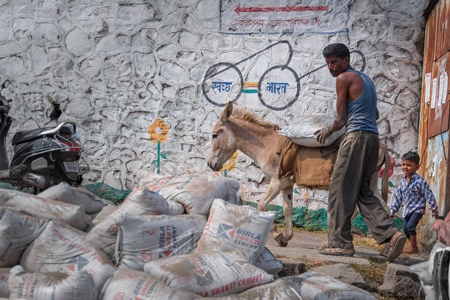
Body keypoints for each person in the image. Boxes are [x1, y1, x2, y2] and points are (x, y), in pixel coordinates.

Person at [315, 43, 406, 262]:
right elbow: (373, 114)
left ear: (346, 60)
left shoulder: (343, 79)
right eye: (328, 63)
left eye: (334, 62)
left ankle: (339, 243)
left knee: (340, 191)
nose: (331, 67)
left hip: (355, 138)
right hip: (372, 139)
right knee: (364, 192)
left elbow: (340, 119)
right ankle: (391, 235)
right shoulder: (365, 79)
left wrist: (327, 131)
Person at [390, 151, 438, 254]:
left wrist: (434, 209)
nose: (405, 167)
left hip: (418, 209)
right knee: (405, 229)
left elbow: (429, 195)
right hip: (407, 209)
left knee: (411, 226)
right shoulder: (402, 182)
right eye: (403, 164)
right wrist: (393, 210)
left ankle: (414, 248)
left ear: (416, 167)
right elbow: (398, 198)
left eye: (408, 165)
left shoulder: (420, 181)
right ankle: (412, 244)